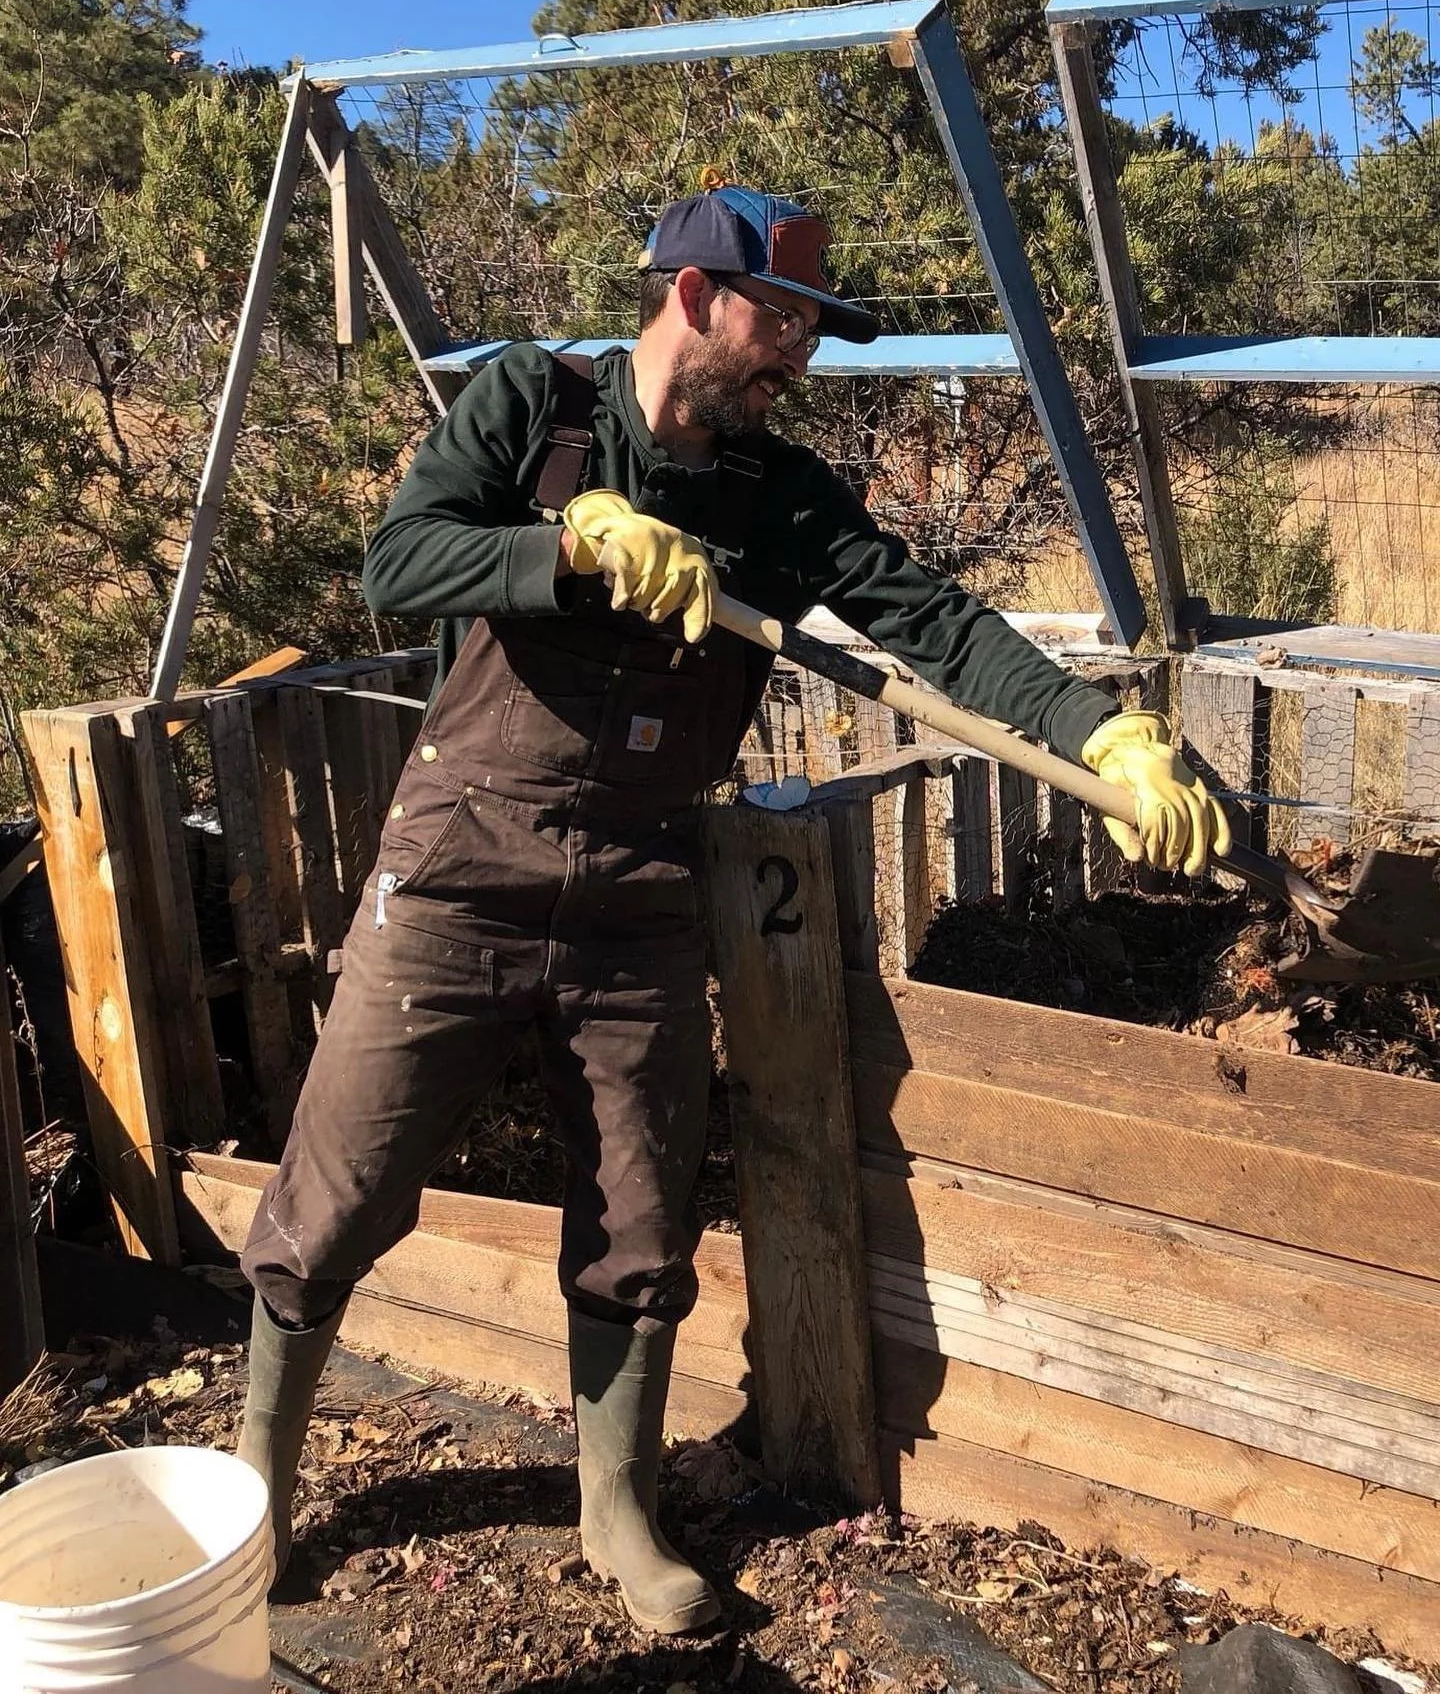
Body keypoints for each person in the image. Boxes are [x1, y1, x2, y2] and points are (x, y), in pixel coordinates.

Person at [234, 180, 1229, 1634]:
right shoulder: (536, 405)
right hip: (460, 865)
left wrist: (1098, 734)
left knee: (639, 1217)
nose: (799, 358)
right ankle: (258, 1467)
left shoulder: (777, 492)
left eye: (815, 334)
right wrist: (562, 549)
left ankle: (616, 1502)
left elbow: (931, 620)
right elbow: (398, 562)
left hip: (641, 889)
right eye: (783, 321)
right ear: (692, 295)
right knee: (342, 1185)